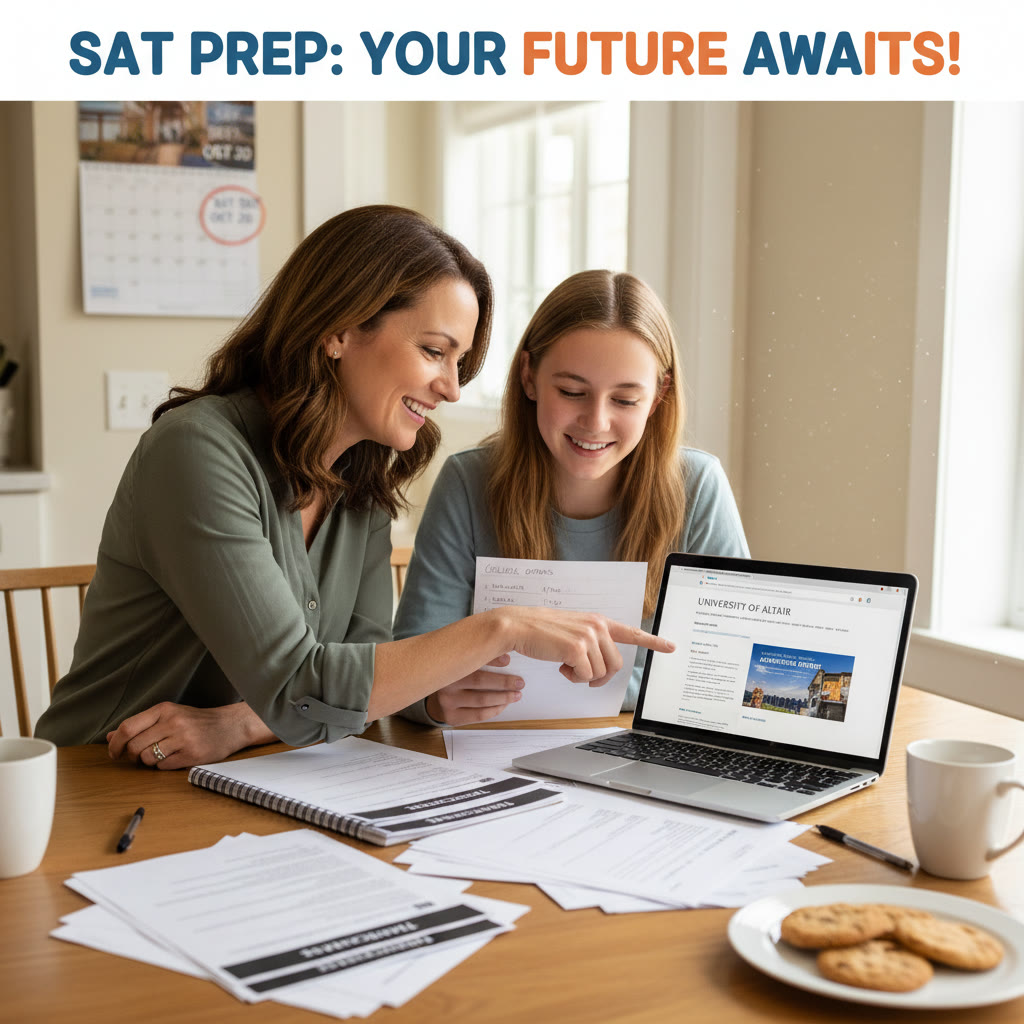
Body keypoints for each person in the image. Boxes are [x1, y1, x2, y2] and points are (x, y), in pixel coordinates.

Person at [35, 209, 673, 768]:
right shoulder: (197, 451)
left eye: (460, 362)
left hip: (261, 770)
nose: (452, 389)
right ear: (339, 329)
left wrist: (238, 724)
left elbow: (364, 684)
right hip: (99, 778)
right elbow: (304, 687)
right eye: (434, 351)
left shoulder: (362, 477)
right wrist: (502, 628)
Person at [394, 269, 749, 727]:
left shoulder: (698, 486)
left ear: (659, 396)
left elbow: (728, 672)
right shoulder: (468, 482)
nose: (595, 422)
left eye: (625, 400)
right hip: (491, 749)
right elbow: (407, 672)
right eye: (572, 392)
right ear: (529, 377)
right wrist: (432, 700)